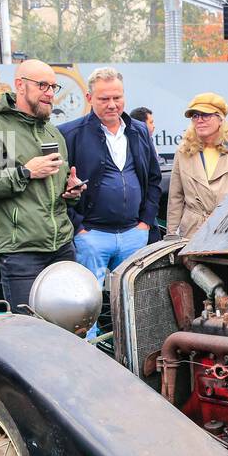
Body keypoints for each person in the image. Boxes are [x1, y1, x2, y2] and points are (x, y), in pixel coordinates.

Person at [0, 59, 85, 312]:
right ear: (20, 85)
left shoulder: (52, 132)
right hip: (21, 252)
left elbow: (53, 191)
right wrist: (26, 172)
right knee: (30, 335)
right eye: (43, 85)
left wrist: (71, 191)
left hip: (62, 246)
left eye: (54, 87)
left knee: (68, 332)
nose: (50, 93)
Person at [58, 67, 161, 323]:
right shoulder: (70, 134)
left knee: (133, 309)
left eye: (117, 97)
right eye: (104, 99)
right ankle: (87, 357)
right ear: (89, 97)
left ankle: (130, 360)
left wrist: (145, 223)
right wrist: (79, 228)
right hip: (91, 237)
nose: (112, 105)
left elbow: (153, 178)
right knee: (85, 307)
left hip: (133, 235)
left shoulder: (138, 131)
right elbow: (58, 188)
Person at [166, 93, 228, 241]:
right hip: (192, 232)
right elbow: (175, 197)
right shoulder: (184, 152)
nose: (200, 120)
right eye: (195, 116)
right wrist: (171, 234)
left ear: (220, 119)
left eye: (206, 115)